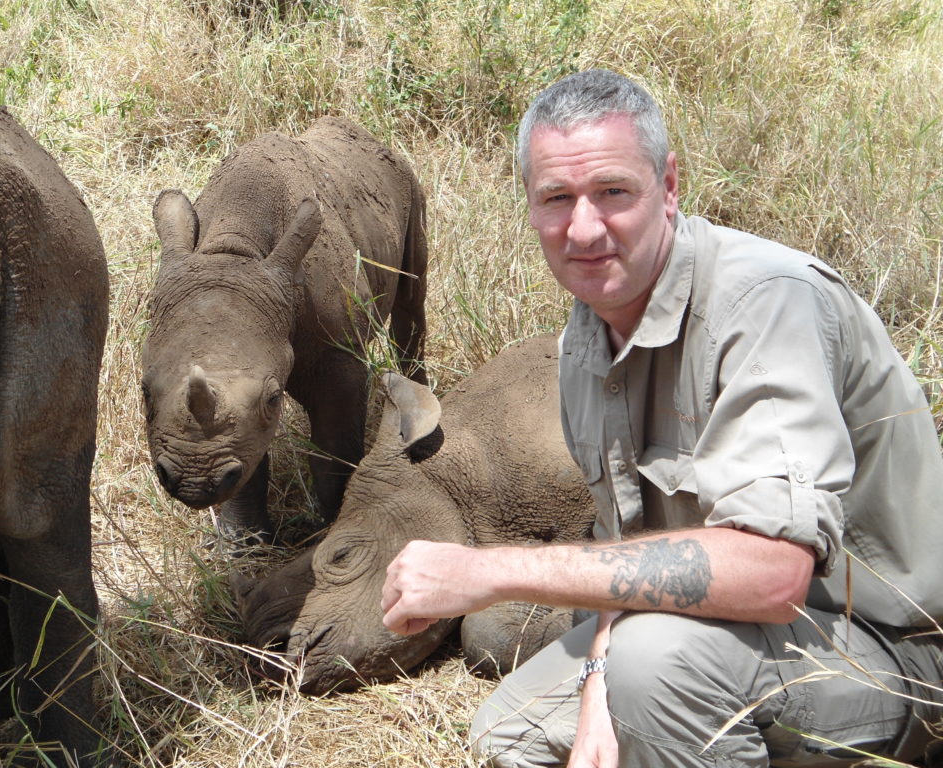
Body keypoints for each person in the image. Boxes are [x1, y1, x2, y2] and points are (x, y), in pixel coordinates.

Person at [379, 68, 943, 767]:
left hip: (886, 652)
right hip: (725, 636)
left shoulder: (764, 303)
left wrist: (491, 572)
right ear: (529, 207)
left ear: (669, 186)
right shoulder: (585, 343)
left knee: (656, 670)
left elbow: (772, 575)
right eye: (557, 198)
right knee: (515, 727)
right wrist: (595, 691)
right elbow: (634, 554)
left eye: (613, 191)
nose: (584, 228)